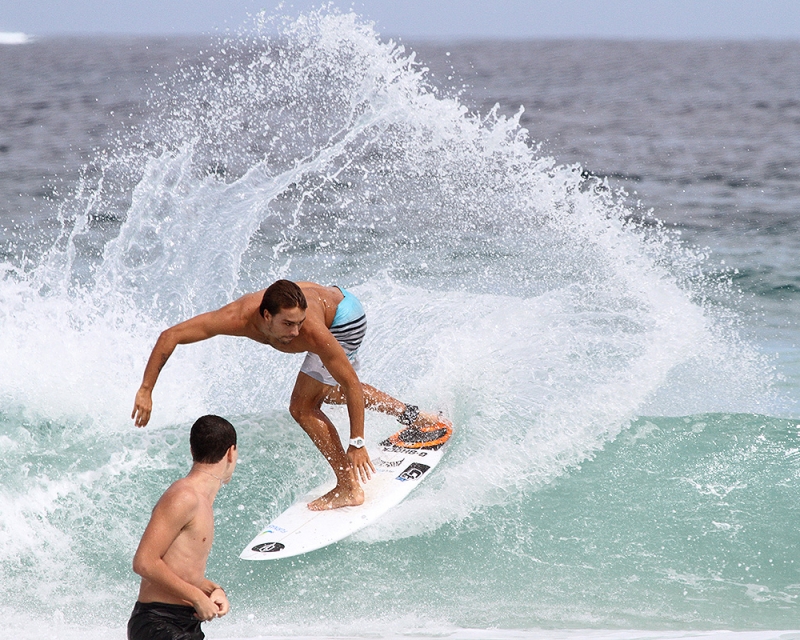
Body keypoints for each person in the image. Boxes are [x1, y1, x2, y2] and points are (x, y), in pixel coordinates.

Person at [132, 280, 448, 510]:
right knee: (330, 393)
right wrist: (146, 389)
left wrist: (358, 441)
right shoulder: (237, 317)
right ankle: (416, 417)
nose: (295, 333)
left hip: (344, 320)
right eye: (287, 324)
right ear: (265, 315)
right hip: (337, 303)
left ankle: (348, 487)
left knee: (303, 407)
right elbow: (170, 335)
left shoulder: (311, 331)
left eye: (298, 323)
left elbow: (352, 382)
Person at [128, 414, 238, 640]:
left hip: (184, 622)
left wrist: (213, 590)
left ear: (191, 450)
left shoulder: (202, 501)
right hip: (158, 623)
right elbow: (144, 562)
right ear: (231, 453)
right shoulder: (184, 497)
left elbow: (178, 568)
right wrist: (197, 597)